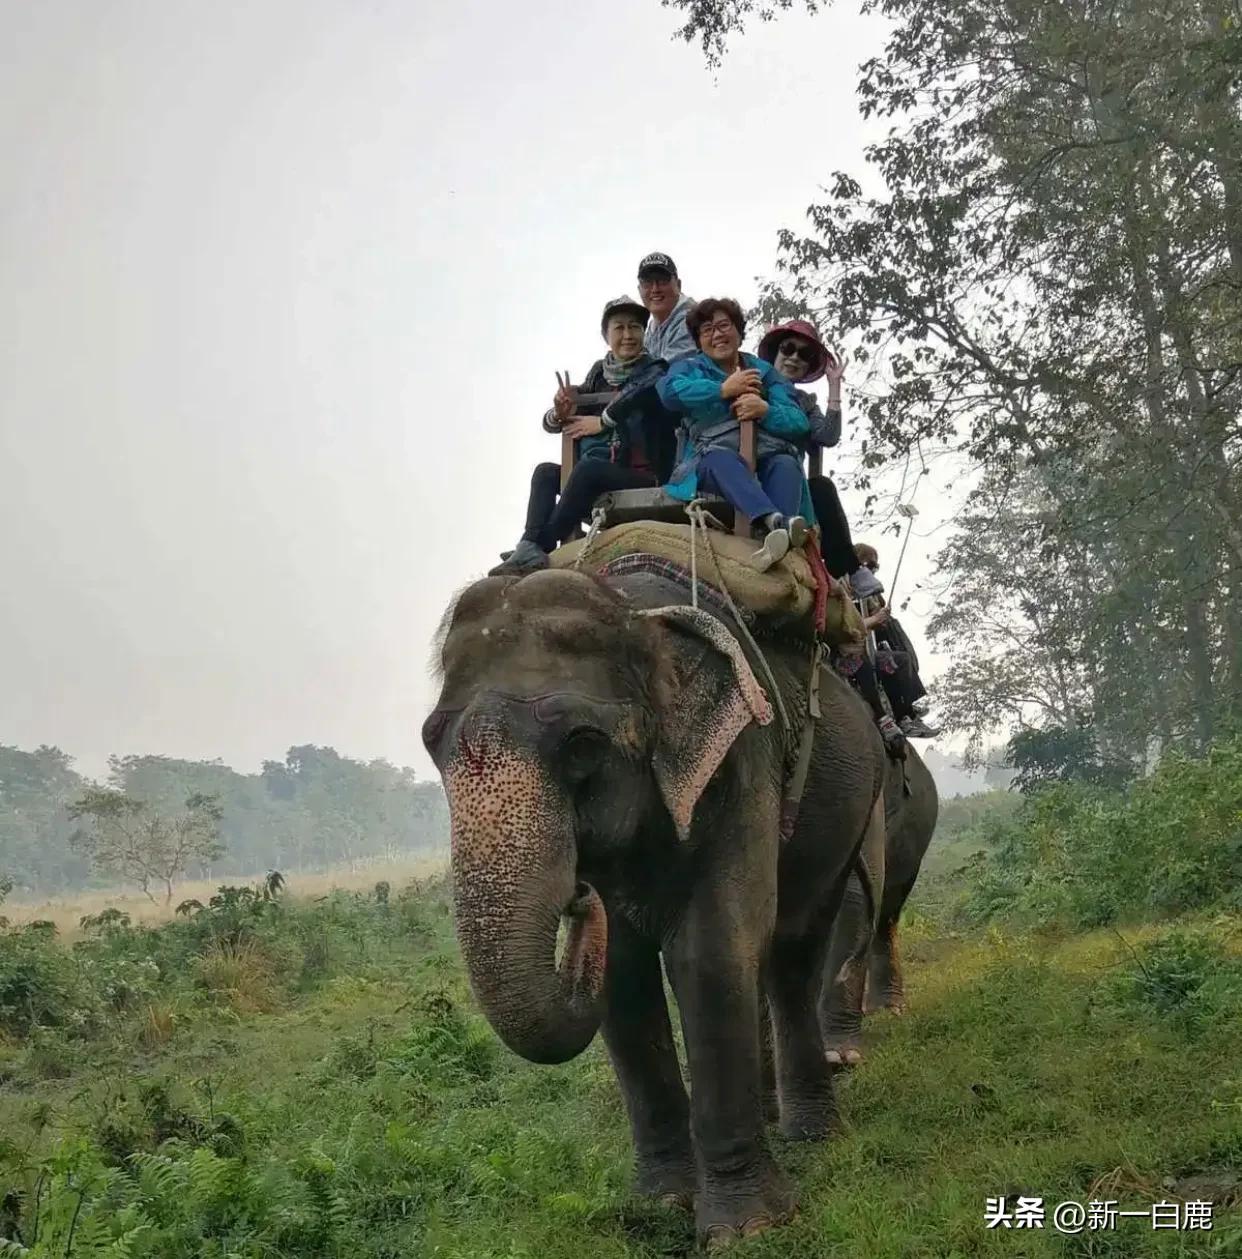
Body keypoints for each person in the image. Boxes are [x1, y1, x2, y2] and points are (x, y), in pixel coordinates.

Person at [490, 297, 666, 576]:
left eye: (634, 327)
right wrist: (558, 413)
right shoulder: (599, 373)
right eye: (619, 328)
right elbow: (559, 420)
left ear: (644, 333)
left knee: (587, 469)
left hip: (640, 475)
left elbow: (642, 391)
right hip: (597, 474)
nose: (627, 335)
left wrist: (604, 420)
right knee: (546, 472)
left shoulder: (656, 368)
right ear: (606, 335)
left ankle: (540, 544)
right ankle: (529, 543)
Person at [657, 298, 813, 572]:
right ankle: (775, 523)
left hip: (765, 456)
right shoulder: (690, 368)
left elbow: (799, 422)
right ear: (699, 341)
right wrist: (722, 389)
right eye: (707, 330)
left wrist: (765, 409)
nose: (717, 334)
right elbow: (668, 391)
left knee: (786, 464)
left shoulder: (766, 374)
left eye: (723, 326)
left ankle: (781, 548)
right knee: (720, 461)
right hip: (710, 462)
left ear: (739, 332)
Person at [756, 318, 882, 599]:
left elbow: (827, 436)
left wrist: (834, 387)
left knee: (822, 487)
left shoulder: (804, 403)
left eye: (805, 354)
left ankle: (849, 567)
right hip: (753, 471)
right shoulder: (755, 382)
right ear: (775, 353)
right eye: (787, 349)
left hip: (791, 480)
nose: (794, 358)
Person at [855, 543, 940, 738]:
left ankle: (908, 711)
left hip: (873, 647)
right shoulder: (852, 587)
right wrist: (876, 618)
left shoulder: (870, 590)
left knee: (900, 657)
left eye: (875, 567)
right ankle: (905, 716)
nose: (873, 571)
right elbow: (854, 622)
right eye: (871, 566)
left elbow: (878, 611)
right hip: (858, 653)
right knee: (896, 661)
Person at [637, 252, 696, 363]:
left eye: (663, 281)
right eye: (647, 282)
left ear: (678, 285)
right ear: (639, 289)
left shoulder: (691, 320)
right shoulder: (651, 327)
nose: (655, 289)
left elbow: (666, 371)